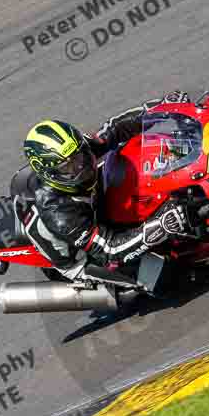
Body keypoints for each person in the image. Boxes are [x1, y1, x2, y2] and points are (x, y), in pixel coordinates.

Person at [21, 91, 191, 281]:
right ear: (49, 174)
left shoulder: (77, 150)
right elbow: (110, 250)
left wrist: (159, 110)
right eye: (68, 167)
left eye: (80, 156)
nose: (81, 166)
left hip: (95, 206)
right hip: (85, 257)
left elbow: (115, 129)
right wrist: (159, 225)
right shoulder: (59, 213)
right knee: (168, 275)